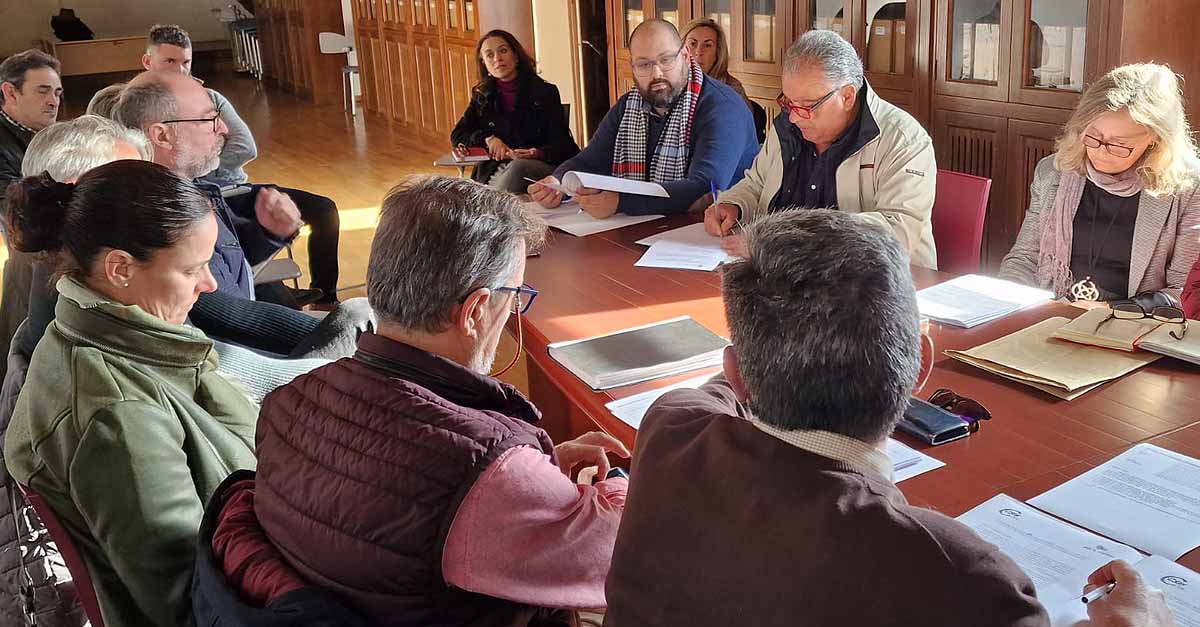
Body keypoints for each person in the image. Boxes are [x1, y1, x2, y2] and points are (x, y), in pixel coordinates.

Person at [602, 209, 1175, 627]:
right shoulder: (955, 573)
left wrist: (753, 364)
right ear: (922, 364)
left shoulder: (670, 426)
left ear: (737, 375)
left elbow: (718, 390)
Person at [197, 177, 631, 626]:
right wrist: (616, 482)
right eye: (515, 294)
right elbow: (624, 561)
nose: (514, 309)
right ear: (476, 310)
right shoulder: (486, 471)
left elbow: (399, 501)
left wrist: (537, 477)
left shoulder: (289, 403)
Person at [3, 159, 259, 627]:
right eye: (192, 268)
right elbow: (187, 600)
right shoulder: (117, 416)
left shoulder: (91, 334)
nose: (210, 283)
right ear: (120, 267)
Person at [112, 70, 373, 358]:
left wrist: (268, 232)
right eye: (209, 119)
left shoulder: (191, 189)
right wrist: (357, 333)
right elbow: (230, 316)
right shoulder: (160, 218)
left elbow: (228, 261)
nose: (223, 128)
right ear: (161, 134)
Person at [143, 24, 342, 307]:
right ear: (148, 62)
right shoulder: (139, 106)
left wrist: (204, 166)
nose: (180, 70)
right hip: (199, 199)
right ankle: (276, 295)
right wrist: (197, 170)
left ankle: (324, 297)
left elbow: (244, 146)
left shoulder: (208, 97)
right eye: (170, 62)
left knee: (323, 209)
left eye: (186, 62)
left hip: (231, 188)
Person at [704, 29, 937, 270]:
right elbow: (756, 184)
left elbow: (897, 229)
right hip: (783, 276)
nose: (794, 117)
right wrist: (735, 206)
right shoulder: (788, 126)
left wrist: (782, 243)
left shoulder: (903, 139)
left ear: (847, 96)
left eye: (806, 106)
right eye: (789, 102)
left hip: (874, 285)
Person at [999, 63, 1200, 307]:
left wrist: (1111, 310)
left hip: (1134, 324)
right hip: (1051, 311)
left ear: (1154, 138)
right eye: (1093, 136)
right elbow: (1023, 259)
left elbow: (1183, 290)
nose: (1100, 152)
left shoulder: (1187, 188)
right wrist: (1009, 306)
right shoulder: (1055, 171)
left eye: (1118, 144)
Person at [528, 19, 757, 217]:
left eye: (666, 60)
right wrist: (557, 181)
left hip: (712, 236)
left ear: (686, 57)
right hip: (646, 230)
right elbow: (590, 161)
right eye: (645, 64)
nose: (657, 74)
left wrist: (621, 202)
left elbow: (704, 188)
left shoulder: (722, 107)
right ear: (633, 68)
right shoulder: (629, 105)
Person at [450, 29, 579, 193]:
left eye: (503, 51)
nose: (497, 59)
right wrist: (488, 139)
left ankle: (493, 207)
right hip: (494, 170)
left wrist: (537, 152)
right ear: (484, 63)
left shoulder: (544, 92)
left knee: (518, 167)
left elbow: (563, 144)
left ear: (516, 56)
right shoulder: (482, 94)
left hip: (536, 167)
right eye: (490, 55)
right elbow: (458, 134)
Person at [0, 49, 62, 382]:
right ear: (10, 92)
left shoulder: (39, 135)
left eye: (57, 92)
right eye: (42, 90)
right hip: (30, 268)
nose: (53, 100)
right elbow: (15, 210)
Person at [680, 17, 766, 143]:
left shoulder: (732, 90)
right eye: (693, 44)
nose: (698, 52)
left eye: (707, 45)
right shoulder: (672, 87)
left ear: (717, 54)